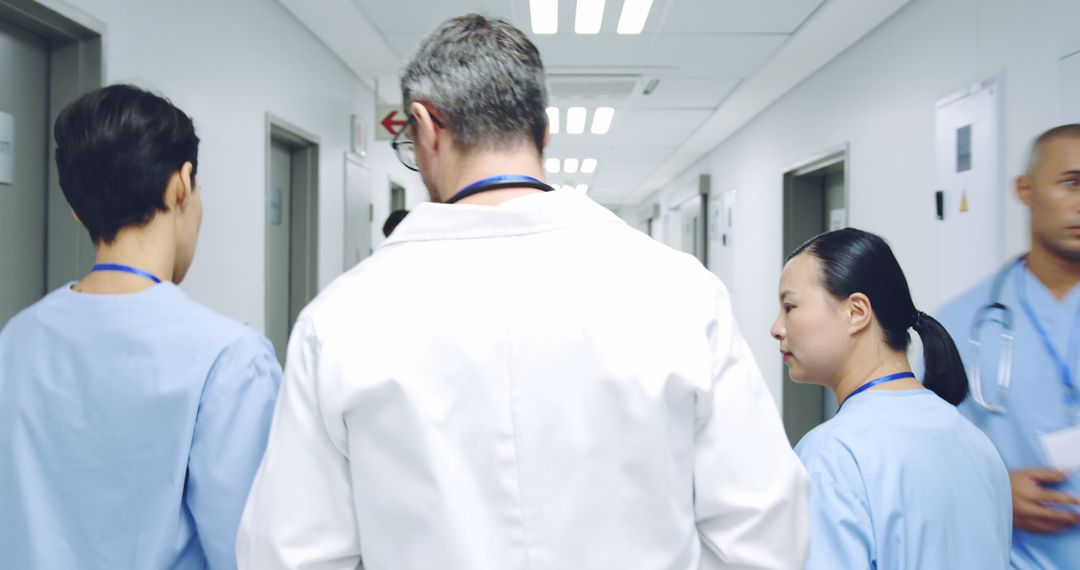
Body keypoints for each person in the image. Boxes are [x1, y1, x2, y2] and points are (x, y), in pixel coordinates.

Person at [238, 13, 809, 570]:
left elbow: (291, 554)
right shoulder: (682, 293)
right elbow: (767, 536)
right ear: (543, 132)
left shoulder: (342, 321)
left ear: (425, 127)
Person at [0, 84, 281, 569]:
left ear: (76, 208)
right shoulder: (229, 361)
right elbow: (248, 555)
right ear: (181, 184)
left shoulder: (16, 340)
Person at [772, 228, 1011, 569]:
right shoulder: (976, 442)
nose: (777, 328)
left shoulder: (832, 455)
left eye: (789, 306)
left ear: (856, 312)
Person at [939, 124, 1080, 568]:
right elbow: (925, 458)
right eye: (1071, 183)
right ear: (1025, 189)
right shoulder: (960, 324)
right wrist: (992, 490)